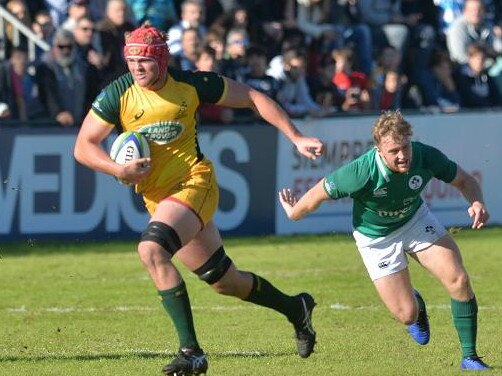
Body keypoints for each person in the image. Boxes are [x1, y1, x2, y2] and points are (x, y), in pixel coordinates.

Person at [73, 24, 322, 376]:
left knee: (151, 250)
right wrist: (117, 169)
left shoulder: (190, 84)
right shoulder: (119, 93)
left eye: (143, 61)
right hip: (159, 200)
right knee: (224, 281)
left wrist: (295, 136)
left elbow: (251, 97)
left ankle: (191, 353)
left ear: (161, 58)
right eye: (130, 61)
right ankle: (296, 308)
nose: (136, 68)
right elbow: (83, 146)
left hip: (195, 183)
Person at [278, 110, 492, 371]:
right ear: (379, 150)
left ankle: (470, 356)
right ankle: (416, 304)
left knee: (458, 279)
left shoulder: (424, 155)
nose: (402, 156)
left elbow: (464, 180)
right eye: (394, 151)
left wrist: (476, 201)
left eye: (405, 147)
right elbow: (315, 196)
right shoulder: (360, 172)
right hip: (375, 238)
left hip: (415, 219)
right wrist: (292, 213)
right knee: (406, 314)